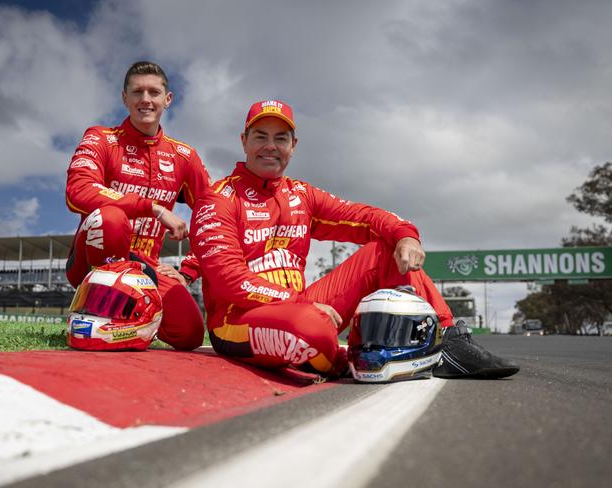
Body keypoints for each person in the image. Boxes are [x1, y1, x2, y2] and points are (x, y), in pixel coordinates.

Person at [188, 99, 519, 379]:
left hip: (303, 308)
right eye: (260, 136)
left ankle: (446, 341)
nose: (270, 146)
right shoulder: (217, 199)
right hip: (236, 322)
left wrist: (406, 236)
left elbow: (366, 216)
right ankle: (353, 357)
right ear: (244, 140)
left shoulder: (301, 194)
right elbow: (228, 281)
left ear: (293, 146)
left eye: (281, 138)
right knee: (310, 328)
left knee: (385, 249)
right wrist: (299, 304)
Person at [65, 61, 210, 351]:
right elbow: (77, 192)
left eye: (154, 92)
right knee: (111, 218)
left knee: (189, 334)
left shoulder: (184, 156)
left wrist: (188, 270)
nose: (146, 99)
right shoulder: (100, 138)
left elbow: (215, 216)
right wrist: (154, 208)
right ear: (125, 98)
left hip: (147, 268)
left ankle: (135, 326)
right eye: (137, 92)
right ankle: (95, 317)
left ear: (167, 100)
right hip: (94, 252)